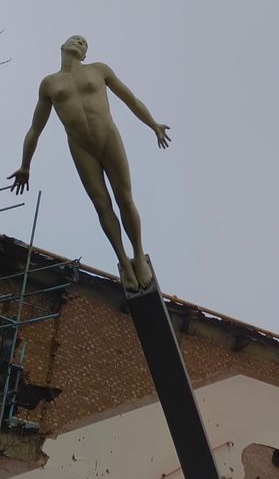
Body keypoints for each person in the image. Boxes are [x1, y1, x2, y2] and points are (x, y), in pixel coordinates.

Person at [7, 36, 170, 291]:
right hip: (81, 147)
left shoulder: (99, 70)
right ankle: (124, 264)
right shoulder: (49, 84)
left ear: (85, 55)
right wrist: (25, 164)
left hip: (108, 137)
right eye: (75, 40)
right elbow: (35, 129)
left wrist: (153, 125)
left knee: (124, 197)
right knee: (101, 204)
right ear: (62, 47)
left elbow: (131, 99)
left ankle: (138, 256)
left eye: (84, 43)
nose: (80, 42)